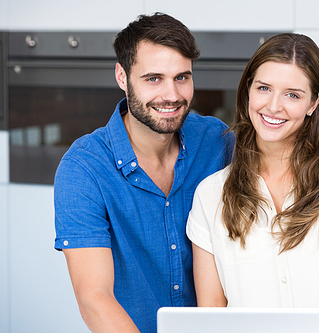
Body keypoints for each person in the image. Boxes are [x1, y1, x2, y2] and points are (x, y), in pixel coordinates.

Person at [186, 33, 319, 333]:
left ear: (313, 103)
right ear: (248, 92)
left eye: (292, 94)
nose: (273, 106)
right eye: (264, 88)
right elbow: (212, 310)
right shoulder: (210, 196)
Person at [54, 13, 234, 333]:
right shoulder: (83, 168)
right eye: (154, 79)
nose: (172, 95)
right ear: (122, 77)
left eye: (182, 77)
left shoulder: (217, 142)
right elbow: (94, 297)